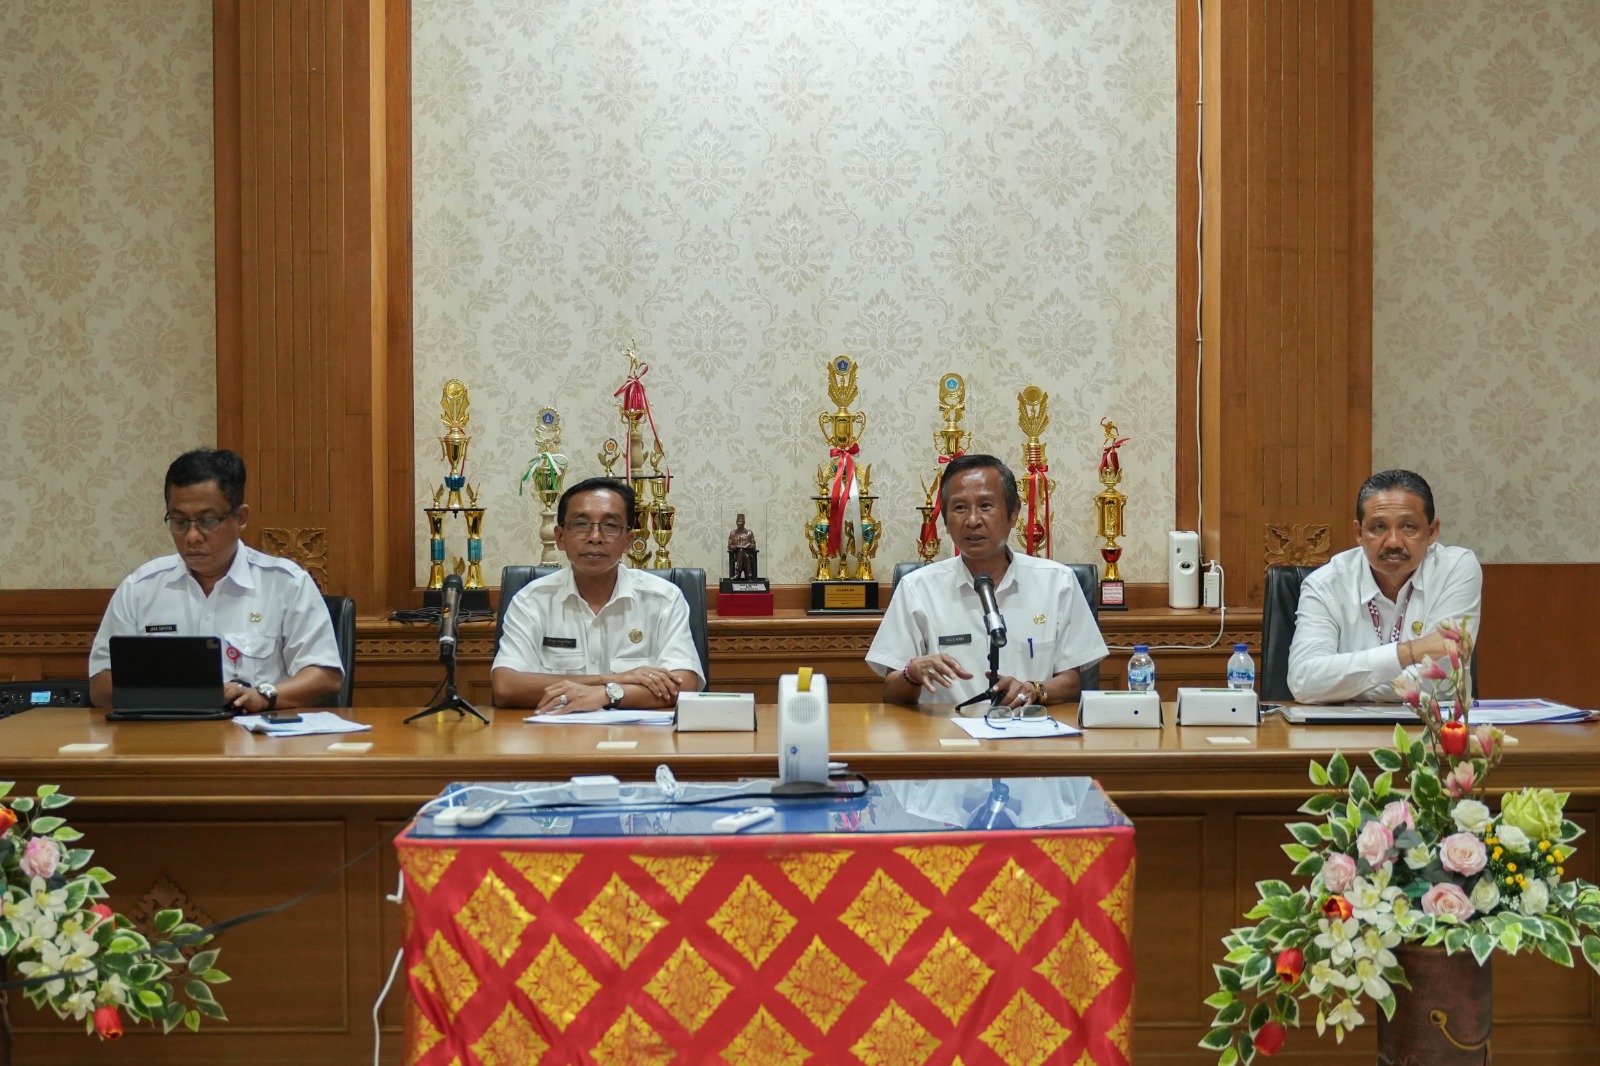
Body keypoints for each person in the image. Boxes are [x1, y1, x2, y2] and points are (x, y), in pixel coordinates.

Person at [89, 449, 344, 712]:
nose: (192, 536)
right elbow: (101, 684)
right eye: (179, 521)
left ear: (241, 518)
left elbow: (325, 676)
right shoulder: (140, 588)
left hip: (254, 732)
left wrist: (262, 696)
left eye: (207, 521)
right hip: (165, 733)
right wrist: (177, 699)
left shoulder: (286, 584)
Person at [866, 454, 1107, 708]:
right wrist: (912, 673)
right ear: (945, 519)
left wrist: (1033, 689)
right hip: (947, 730)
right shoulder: (916, 589)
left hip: (1029, 728)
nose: (972, 520)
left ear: (1013, 513)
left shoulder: (1058, 583)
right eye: (960, 508)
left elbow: (1072, 683)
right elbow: (891, 693)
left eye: (985, 506)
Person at [492, 477, 703, 712]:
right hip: (556, 732)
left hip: (638, 734)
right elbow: (505, 687)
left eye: (610, 526)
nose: (595, 537)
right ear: (560, 537)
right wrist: (614, 680)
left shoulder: (663, 599)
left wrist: (606, 695)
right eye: (581, 525)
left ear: (628, 541)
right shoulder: (531, 601)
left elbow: (684, 684)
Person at [1288, 469, 1482, 704]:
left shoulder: (1455, 569)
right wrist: (1409, 652)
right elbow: (1304, 682)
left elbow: (1441, 683)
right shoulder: (1325, 584)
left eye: (1408, 526)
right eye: (1378, 527)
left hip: (1431, 724)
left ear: (1431, 532)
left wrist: (1340, 687)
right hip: (1342, 726)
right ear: (1359, 533)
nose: (1393, 542)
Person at [727, 513, 757, 580]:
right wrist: (736, 546)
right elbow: (729, 546)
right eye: (738, 521)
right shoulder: (732, 533)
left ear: (744, 522)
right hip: (736, 555)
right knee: (741, 551)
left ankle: (738, 573)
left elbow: (754, 545)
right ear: (736, 522)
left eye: (740, 521)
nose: (739, 523)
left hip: (748, 554)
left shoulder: (749, 533)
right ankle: (749, 575)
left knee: (744, 553)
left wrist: (748, 545)